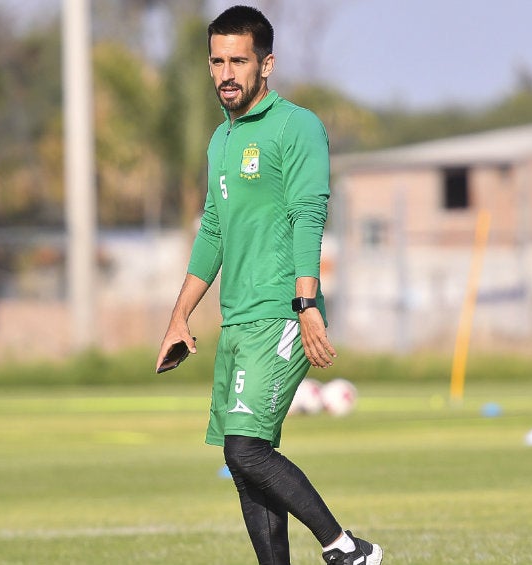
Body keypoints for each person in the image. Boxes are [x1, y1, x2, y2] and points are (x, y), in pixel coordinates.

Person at [155, 6, 383, 565]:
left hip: (281, 312)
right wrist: (180, 315)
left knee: (247, 448)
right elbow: (212, 230)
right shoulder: (220, 141)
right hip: (237, 319)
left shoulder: (296, 127)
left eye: (239, 60)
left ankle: (347, 548)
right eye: (217, 61)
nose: (226, 73)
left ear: (267, 64)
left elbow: (310, 215)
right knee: (245, 463)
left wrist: (306, 302)